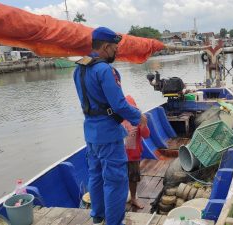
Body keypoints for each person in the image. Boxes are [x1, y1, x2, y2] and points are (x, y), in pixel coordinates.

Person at [73, 27, 147, 225]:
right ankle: (114, 222)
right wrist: (138, 117)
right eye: (115, 48)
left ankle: (98, 217)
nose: (117, 52)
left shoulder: (78, 68)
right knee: (115, 181)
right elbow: (119, 104)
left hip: (90, 133)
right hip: (108, 134)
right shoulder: (105, 70)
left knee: (95, 176)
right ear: (106, 47)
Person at [122, 95, 150, 209]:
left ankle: (133, 198)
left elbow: (146, 135)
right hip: (118, 156)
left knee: (133, 178)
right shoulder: (117, 120)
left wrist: (144, 125)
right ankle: (120, 198)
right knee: (119, 177)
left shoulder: (137, 120)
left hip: (133, 156)